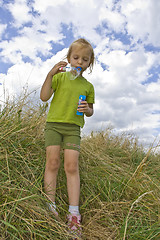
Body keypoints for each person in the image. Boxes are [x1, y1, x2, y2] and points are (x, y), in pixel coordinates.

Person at [40, 38, 95, 237]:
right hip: (54, 125)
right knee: (52, 163)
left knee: (71, 166)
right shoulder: (60, 78)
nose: (80, 62)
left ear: (90, 63)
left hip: (73, 128)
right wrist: (50, 75)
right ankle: (50, 207)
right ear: (69, 58)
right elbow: (44, 96)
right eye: (76, 57)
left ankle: (74, 214)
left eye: (85, 59)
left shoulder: (88, 86)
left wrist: (87, 108)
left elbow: (90, 111)